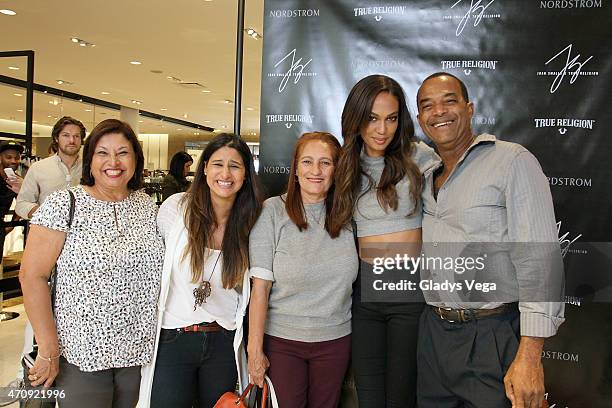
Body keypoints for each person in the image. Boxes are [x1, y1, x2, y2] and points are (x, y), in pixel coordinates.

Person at [414, 72, 565, 407]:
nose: (439, 111)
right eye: (428, 106)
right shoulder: (425, 174)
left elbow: (541, 263)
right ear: (420, 119)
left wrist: (529, 356)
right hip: (433, 336)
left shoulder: (512, 161)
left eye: (449, 101)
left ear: (469, 108)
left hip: (492, 334)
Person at [19, 119, 164, 407]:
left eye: (123, 153)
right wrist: (49, 350)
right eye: (102, 153)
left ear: (136, 158)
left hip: (137, 353)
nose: (113, 162)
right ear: (89, 159)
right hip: (80, 354)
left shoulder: (147, 205)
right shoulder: (64, 203)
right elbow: (31, 276)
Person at [329, 75, 438, 408]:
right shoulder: (346, 163)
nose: (382, 129)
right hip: (364, 291)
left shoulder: (417, 156)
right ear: (357, 118)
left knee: (402, 396)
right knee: (370, 395)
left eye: (391, 118)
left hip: (409, 289)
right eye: (372, 118)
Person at [138, 134, 261, 408]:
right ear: (204, 168)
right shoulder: (176, 209)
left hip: (223, 341)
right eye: (217, 164)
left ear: (245, 174)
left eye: (235, 166)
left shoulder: (252, 223)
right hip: (174, 338)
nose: (225, 174)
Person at [248, 132, 359, 408]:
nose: (316, 171)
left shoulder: (350, 216)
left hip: (335, 340)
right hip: (282, 343)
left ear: (336, 169)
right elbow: (260, 289)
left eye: (325, 163)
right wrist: (254, 350)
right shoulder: (272, 212)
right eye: (307, 162)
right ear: (295, 169)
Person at [16, 116, 84, 219]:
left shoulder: (91, 169)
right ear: (56, 138)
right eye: (66, 135)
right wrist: (46, 214)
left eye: (76, 136)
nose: (72, 140)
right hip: (46, 231)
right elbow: (22, 204)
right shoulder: (38, 168)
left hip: (83, 232)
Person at [0, 141, 24, 252]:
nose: (13, 161)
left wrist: (11, 225)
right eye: (8, 157)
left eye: (16, 158)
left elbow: (22, 203)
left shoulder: (17, 180)